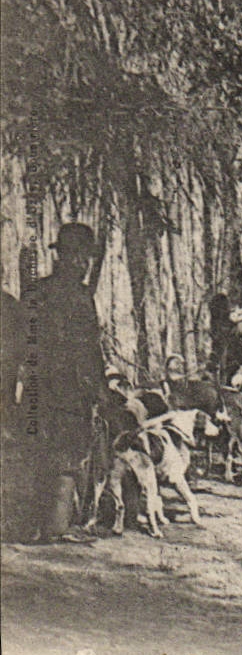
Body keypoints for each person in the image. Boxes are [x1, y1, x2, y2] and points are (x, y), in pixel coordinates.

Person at [23, 223, 105, 543]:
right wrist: (98, 390)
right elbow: (89, 350)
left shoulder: (37, 291)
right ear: (72, 257)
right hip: (69, 392)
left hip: (37, 390)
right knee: (67, 457)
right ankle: (56, 527)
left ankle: (33, 526)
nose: (85, 264)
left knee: (39, 453)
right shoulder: (80, 297)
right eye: (82, 257)